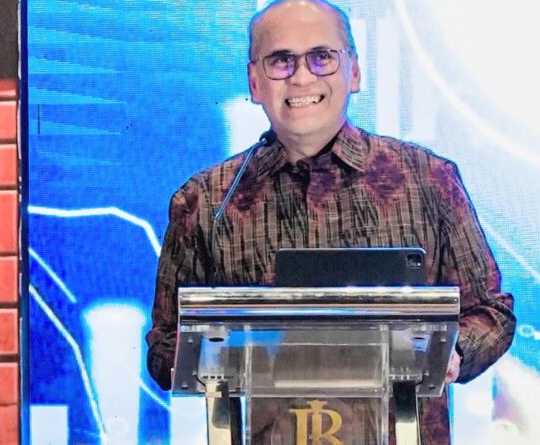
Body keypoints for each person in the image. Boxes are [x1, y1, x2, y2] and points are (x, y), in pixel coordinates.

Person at [146, 0, 516, 442]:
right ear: (255, 82)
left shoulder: (428, 180)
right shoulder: (206, 202)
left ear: (354, 72)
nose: (302, 77)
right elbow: (164, 343)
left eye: (322, 57)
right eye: (281, 61)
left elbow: (491, 312)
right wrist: (195, 359)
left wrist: (451, 353)